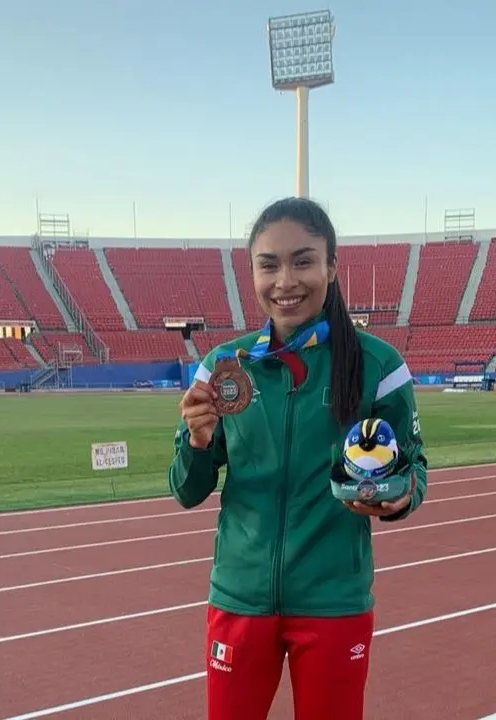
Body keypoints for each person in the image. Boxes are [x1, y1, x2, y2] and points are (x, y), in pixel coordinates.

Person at [167, 197, 428, 720]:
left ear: (332, 266)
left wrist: (396, 497)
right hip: (240, 598)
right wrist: (197, 442)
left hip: (333, 601)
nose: (285, 280)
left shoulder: (379, 365)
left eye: (303, 260)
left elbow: (413, 470)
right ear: (253, 274)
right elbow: (187, 491)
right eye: (269, 265)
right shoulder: (223, 368)